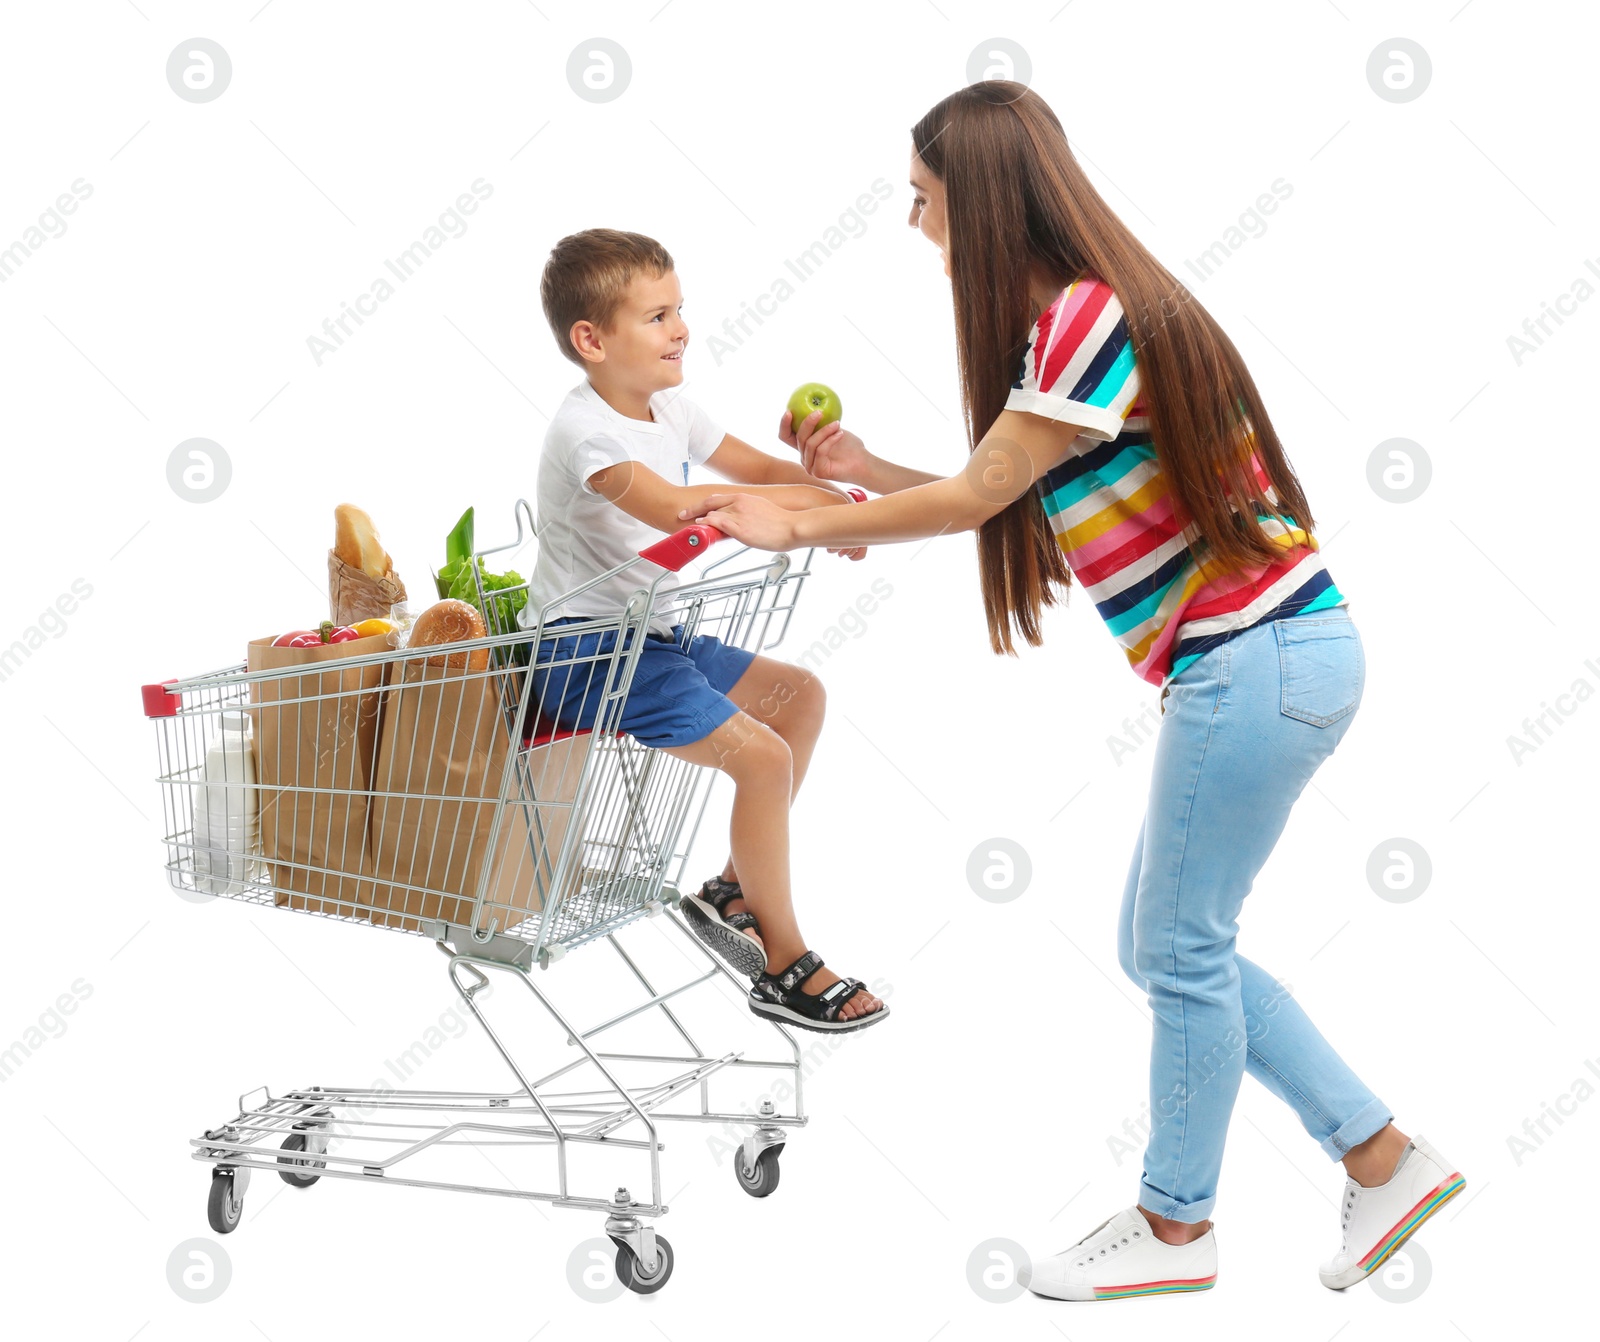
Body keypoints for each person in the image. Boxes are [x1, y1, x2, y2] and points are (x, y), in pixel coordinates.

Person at [683, 83, 1464, 1298]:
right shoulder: (1073, 326)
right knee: (1162, 946)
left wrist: (792, 523)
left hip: (1255, 658)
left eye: (923, 198)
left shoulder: (1092, 319)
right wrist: (849, 478)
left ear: (983, 201)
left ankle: (1173, 1228)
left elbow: (970, 499)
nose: (912, 222)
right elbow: (1009, 502)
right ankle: (1381, 1155)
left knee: (1179, 944)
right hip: (1262, 661)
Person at [520, 227, 889, 1032]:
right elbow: (678, 510)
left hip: (646, 637)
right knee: (762, 761)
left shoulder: (670, 407)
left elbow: (755, 474)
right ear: (591, 340)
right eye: (657, 317)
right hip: (581, 655)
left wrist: (844, 493)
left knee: (800, 697)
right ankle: (784, 964)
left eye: (679, 310)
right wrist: (828, 514)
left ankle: (732, 892)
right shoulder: (585, 432)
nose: (681, 329)